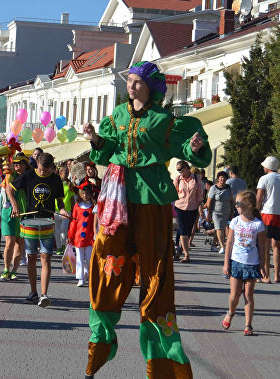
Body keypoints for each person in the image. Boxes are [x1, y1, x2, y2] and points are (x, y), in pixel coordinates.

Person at [82, 61, 209, 378]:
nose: (131, 86)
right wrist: (97, 141)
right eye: (130, 81)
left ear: (151, 88)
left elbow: (191, 150)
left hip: (152, 201)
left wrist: (194, 147)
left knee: (155, 279)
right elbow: (108, 149)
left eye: (137, 81)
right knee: (106, 263)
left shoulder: (166, 120)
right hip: (118, 200)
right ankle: (101, 341)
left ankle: (163, 363)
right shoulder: (119, 116)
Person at [6, 152, 67, 308]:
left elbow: (60, 201)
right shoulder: (28, 175)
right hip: (30, 221)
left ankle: (44, 294)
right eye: (40, 169)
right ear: (37, 164)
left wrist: (63, 210)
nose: (42, 173)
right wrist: (15, 205)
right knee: (32, 258)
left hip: (47, 221)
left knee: (45, 257)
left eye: (46, 171)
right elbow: (8, 188)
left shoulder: (55, 179)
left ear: (52, 168)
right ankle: (33, 291)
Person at [222, 190, 266, 336]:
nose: (236, 206)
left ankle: (248, 325)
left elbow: (262, 247)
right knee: (234, 295)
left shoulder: (258, 225)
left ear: (248, 205)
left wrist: (262, 265)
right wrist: (226, 263)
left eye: (238, 203)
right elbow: (229, 243)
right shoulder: (235, 221)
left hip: (252, 264)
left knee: (248, 294)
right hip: (236, 262)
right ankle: (230, 312)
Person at [256, 156, 280, 283]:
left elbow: (259, 198)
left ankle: (266, 275)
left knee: (264, 245)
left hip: (267, 214)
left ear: (267, 167)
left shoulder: (264, 179)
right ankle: (277, 275)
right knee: (277, 246)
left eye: (264, 166)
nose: (263, 168)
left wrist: (255, 211)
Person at [0, 153, 28, 280]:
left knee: (19, 243)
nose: (16, 165)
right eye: (15, 163)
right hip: (8, 212)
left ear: (26, 164)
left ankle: (14, 271)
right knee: (9, 242)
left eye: (19, 163)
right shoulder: (9, 176)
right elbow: (5, 189)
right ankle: (6, 269)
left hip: (23, 213)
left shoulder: (29, 177)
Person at [173, 160, 204, 262]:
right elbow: (174, 192)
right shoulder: (178, 179)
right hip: (180, 206)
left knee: (188, 231)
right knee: (182, 230)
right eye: (177, 170)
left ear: (186, 168)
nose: (179, 172)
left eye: (180, 169)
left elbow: (200, 195)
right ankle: (187, 255)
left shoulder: (196, 178)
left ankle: (181, 249)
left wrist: (200, 208)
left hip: (192, 207)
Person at [68, 179, 98, 287]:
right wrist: (70, 235)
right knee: (80, 258)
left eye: (87, 193)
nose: (85, 195)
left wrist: (96, 234)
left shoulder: (94, 207)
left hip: (90, 237)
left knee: (89, 258)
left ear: (91, 194)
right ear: (80, 194)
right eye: (83, 193)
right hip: (78, 237)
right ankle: (80, 277)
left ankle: (89, 275)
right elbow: (73, 222)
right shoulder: (77, 206)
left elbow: (96, 223)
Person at [207, 171, 234, 254]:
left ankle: (214, 246)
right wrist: (208, 214)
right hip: (216, 212)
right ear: (218, 178)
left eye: (224, 177)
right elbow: (209, 201)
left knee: (220, 229)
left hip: (226, 212)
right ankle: (222, 246)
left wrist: (232, 211)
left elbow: (231, 200)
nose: (222, 179)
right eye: (221, 177)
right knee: (219, 228)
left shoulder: (228, 188)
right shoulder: (213, 188)